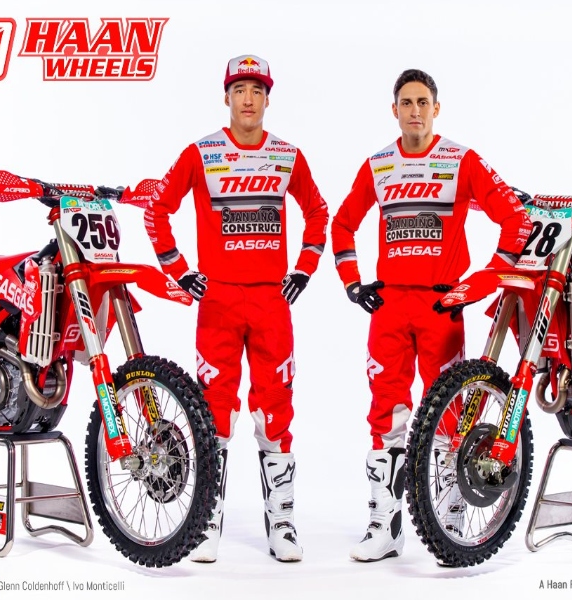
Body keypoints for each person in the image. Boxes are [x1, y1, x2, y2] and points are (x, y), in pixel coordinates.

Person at [331, 69, 532, 562]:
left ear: (436, 109)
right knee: (385, 414)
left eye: (423, 102)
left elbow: (516, 217)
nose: (415, 110)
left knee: (452, 417)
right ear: (394, 110)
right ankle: (384, 527)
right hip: (389, 308)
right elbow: (342, 224)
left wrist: (487, 278)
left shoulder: (460, 159)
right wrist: (353, 282)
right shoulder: (379, 164)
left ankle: (453, 520)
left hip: (442, 305)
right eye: (406, 102)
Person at [144, 54, 328, 563]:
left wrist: (304, 269)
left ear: (268, 98)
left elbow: (317, 212)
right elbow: (157, 209)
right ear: (226, 96)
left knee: (276, 413)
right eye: (240, 89)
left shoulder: (287, 155)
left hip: (272, 301)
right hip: (219, 301)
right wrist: (179, 269)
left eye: (257, 90)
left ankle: (283, 524)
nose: (248, 99)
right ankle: (206, 522)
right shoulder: (201, 152)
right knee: (213, 413)